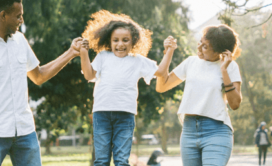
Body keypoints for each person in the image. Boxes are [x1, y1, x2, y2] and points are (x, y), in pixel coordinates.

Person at [0, 0, 83, 166]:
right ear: (3, 15)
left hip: (24, 132)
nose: (21, 20)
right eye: (18, 16)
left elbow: (38, 76)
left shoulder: (20, 41)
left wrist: (71, 53)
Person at [79, 10, 176, 166]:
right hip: (101, 114)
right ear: (109, 42)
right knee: (101, 160)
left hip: (125, 116)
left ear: (133, 42)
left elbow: (160, 72)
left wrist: (170, 51)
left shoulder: (137, 60)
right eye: (115, 40)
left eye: (125, 40)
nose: (120, 44)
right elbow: (89, 75)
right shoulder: (103, 56)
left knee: (122, 161)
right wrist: (83, 53)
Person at [156, 24, 243, 166]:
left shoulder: (230, 67)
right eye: (200, 42)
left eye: (205, 46)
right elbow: (161, 86)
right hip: (189, 131)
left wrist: (224, 71)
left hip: (217, 131)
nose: (199, 48)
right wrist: (169, 52)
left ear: (220, 51)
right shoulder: (191, 62)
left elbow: (235, 104)